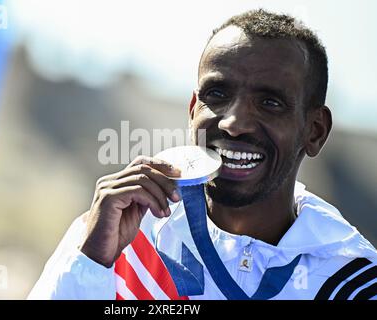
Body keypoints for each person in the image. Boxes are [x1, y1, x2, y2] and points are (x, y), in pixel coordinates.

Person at [28, 9, 377, 300]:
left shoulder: (350, 278)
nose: (235, 123)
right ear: (194, 108)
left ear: (314, 131)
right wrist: (89, 264)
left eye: (270, 102)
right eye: (217, 94)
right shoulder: (119, 235)